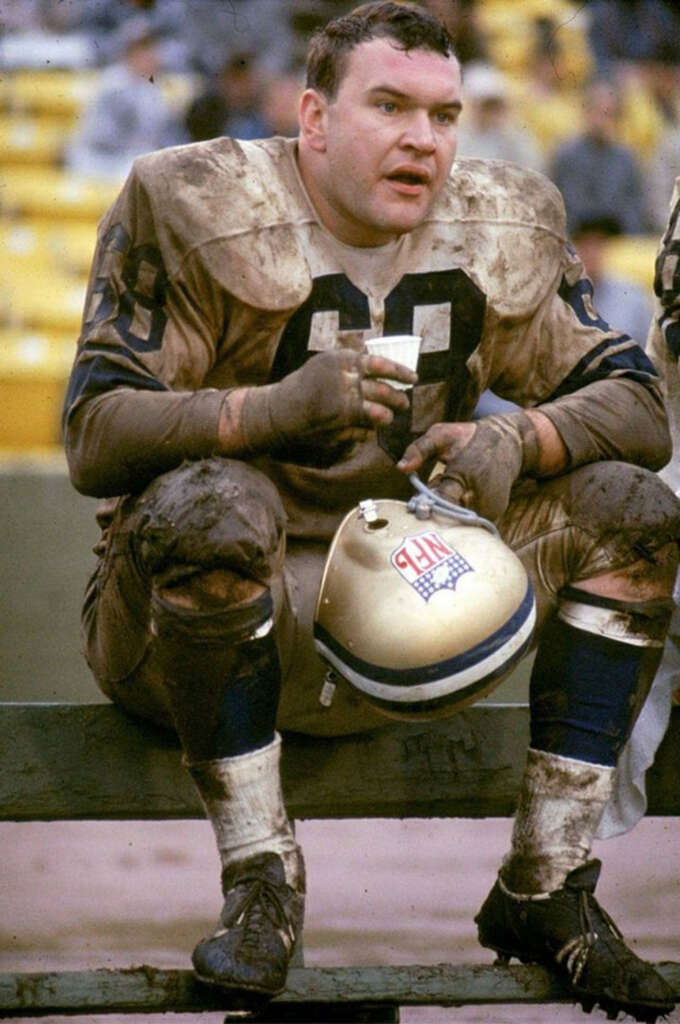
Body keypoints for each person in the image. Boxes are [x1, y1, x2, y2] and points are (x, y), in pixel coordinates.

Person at [62, 2, 680, 1019]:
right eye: (387, 106)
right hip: (194, 620)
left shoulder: (501, 218)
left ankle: (545, 880)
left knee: (629, 510)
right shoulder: (192, 198)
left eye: (441, 114)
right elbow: (93, 432)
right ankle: (261, 880)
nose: (420, 138)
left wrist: (513, 438)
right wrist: (265, 410)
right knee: (217, 506)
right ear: (311, 118)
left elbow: (639, 411)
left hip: (403, 601)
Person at [549, 78, 649, 236]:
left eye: (610, 114)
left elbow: (634, 209)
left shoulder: (626, 158)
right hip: (577, 239)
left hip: (618, 238)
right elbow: (568, 207)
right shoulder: (566, 155)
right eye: (598, 112)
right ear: (586, 112)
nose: (603, 121)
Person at [570, 215, 653, 346]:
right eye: (585, 245)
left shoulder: (633, 293)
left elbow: (649, 347)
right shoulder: (560, 297)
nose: (591, 253)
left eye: (597, 244)